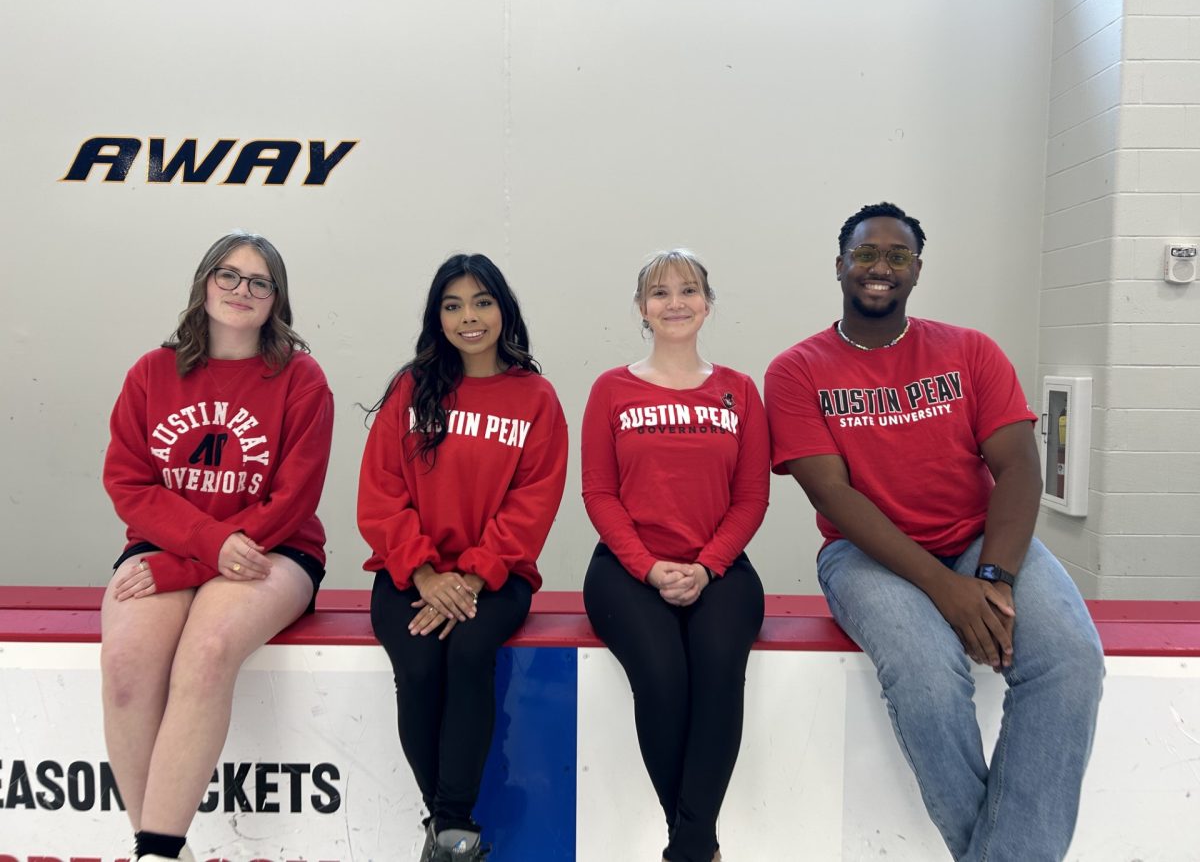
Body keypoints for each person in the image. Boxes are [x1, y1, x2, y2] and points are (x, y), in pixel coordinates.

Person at [764, 202, 1105, 861]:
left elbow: (1018, 469)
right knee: (925, 674)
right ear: (840, 266)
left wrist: (993, 578)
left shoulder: (969, 350)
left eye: (897, 256)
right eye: (866, 254)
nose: (880, 267)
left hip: (979, 540)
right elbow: (832, 493)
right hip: (863, 556)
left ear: (917, 270)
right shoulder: (797, 369)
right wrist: (948, 593)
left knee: (1070, 661)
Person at [101, 232, 334, 862]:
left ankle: (156, 851)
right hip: (170, 543)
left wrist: (190, 562)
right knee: (125, 664)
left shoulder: (301, 380)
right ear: (204, 283)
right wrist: (202, 548)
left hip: (274, 549)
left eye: (260, 282)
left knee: (206, 652)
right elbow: (128, 481)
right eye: (229, 276)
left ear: (276, 300)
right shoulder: (153, 372)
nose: (241, 291)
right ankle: (150, 846)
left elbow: (294, 498)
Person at [358, 253, 568, 862]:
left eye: (481, 302)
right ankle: (452, 831)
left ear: (503, 309)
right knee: (420, 666)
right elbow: (380, 491)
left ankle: (448, 828)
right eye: (452, 306)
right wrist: (427, 572)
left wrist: (470, 578)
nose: (468, 317)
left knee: (471, 653)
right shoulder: (412, 388)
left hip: (496, 575)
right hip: (409, 572)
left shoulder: (535, 398)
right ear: (437, 316)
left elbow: (533, 502)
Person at [581, 249, 769, 862]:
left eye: (688, 290)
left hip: (720, 567)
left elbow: (751, 496)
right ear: (642, 309)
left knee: (718, 674)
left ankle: (687, 849)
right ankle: (697, 847)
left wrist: (708, 566)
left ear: (707, 304)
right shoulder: (611, 388)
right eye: (659, 293)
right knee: (662, 680)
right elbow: (599, 493)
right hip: (626, 568)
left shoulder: (740, 390)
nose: (675, 302)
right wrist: (649, 567)